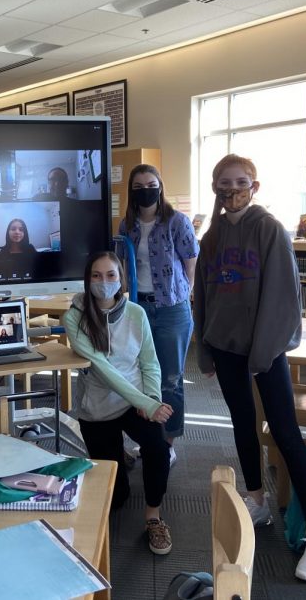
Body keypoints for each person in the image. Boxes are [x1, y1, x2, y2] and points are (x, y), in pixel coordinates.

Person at [193, 154, 306, 582]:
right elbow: (203, 294)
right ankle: (256, 500)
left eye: (240, 182)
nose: (231, 190)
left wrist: (263, 354)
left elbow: (283, 298)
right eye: (224, 183)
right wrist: (205, 349)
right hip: (226, 348)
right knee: (241, 425)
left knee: (286, 433)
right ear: (215, 187)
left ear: (255, 186)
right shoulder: (212, 235)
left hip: (265, 352)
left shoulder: (268, 228)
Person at [63, 251, 174, 555]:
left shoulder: (136, 313)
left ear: (121, 279)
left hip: (134, 402)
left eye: (111, 275)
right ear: (87, 280)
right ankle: (119, 457)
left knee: (158, 448)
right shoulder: (73, 318)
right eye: (96, 276)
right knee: (118, 494)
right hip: (97, 407)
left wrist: (151, 399)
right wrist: (146, 402)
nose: (103, 282)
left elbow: (149, 363)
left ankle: (154, 517)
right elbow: (102, 368)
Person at [118, 164, 197, 463]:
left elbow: (190, 263)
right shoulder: (126, 225)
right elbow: (123, 266)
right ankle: (146, 437)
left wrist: (183, 294)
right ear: (132, 191)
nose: (145, 191)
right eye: (138, 186)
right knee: (139, 376)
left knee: (171, 378)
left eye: (150, 184)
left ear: (160, 187)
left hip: (172, 309)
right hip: (138, 308)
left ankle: (168, 442)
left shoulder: (177, 221)